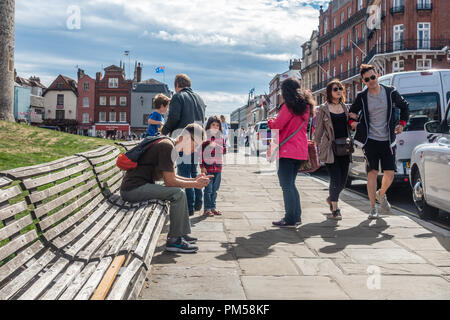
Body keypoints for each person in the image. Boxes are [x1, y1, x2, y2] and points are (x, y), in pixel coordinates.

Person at [120, 123, 212, 253]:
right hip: (132, 190)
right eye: (196, 144)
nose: (196, 149)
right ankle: (174, 241)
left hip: (141, 185)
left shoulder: (170, 146)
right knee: (178, 194)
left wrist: (194, 180)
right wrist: (195, 184)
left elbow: (172, 177)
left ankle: (180, 234)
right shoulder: (166, 147)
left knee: (180, 191)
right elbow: (170, 182)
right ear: (186, 138)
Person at [349, 64, 409, 219]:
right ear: (364, 81)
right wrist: (353, 124)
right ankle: (372, 207)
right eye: (367, 79)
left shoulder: (390, 92)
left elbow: (405, 107)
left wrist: (401, 124)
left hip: (388, 140)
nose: (371, 81)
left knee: (389, 173)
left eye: (372, 77)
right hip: (370, 141)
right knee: (372, 173)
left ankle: (381, 194)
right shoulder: (362, 97)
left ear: (377, 74)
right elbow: (352, 113)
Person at [267, 78, 314, 227]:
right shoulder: (305, 107)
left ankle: (289, 218)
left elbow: (278, 125)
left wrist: (270, 121)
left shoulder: (288, 106)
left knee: (286, 185)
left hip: (287, 150)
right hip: (300, 150)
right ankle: (296, 216)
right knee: (291, 184)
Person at [162, 74, 206, 215]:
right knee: (193, 172)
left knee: (184, 174)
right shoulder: (199, 98)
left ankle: (188, 208)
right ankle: (198, 203)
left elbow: (174, 117)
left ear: (177, 85)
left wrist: (164, 131)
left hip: (184, 140)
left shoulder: (178, 96)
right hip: (197, 140)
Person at [314, 79, 352, 220]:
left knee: (343, 180)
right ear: (330, 92)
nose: (338, 91)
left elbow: (350, 125)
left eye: (340, 88)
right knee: (335, 178)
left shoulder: (345, 107)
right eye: (335, 89)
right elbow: (319, 129)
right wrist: (315, 144)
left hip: (345, 147)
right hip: (330, 147)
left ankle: (331, 198)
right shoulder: (323, 108)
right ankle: (335, 208)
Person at [200, 116, 227, 217]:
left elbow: (224, 150)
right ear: (209, 126)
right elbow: (200, 153)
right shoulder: (205, 138)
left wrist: (216, 146)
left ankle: (213, 207)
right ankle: (207, 209)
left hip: (218, 168)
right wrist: (202, 166)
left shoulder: (221, 138)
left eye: (217, 125)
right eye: (213, 125)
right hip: (208, 169)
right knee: (208, 190)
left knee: (215, 190)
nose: (215, 127)